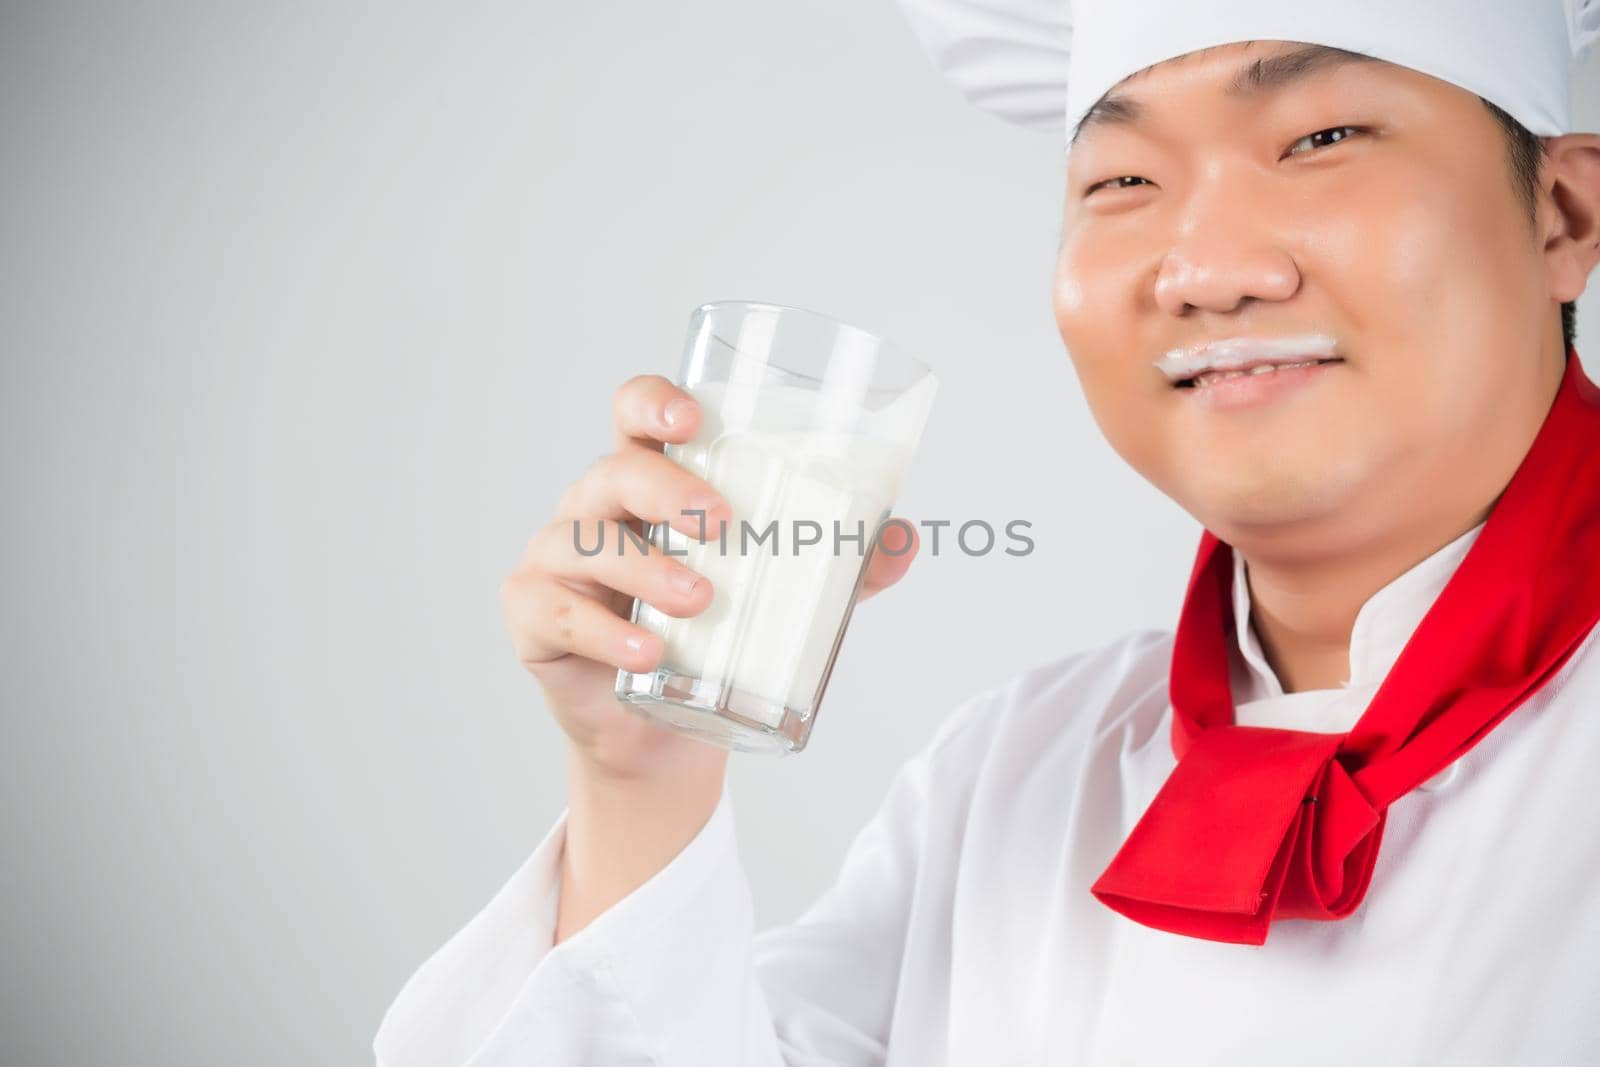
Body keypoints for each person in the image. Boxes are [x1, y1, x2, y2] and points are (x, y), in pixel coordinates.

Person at [374, 1, 1600, 1063]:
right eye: (1122, 180)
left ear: (1563, 214)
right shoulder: (1015, 769)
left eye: (1321, 138)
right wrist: (639, 771)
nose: (1205, 271)